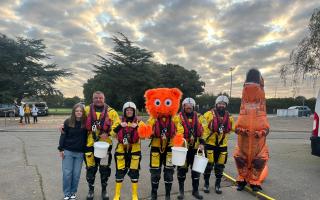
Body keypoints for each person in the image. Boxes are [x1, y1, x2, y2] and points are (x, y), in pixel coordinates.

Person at [137, 88, 184, 200]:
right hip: (156, 148)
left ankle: (167, 195)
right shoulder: (153, 119)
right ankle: (154, 194)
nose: (163, 106)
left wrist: (177, 138)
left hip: (169, 149)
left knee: (169, 172)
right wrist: (143, 127)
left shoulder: (175, 119)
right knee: (155, 173)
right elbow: (146, 133)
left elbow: (180, 130)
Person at [234, 69, 270, 192]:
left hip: (257, 144)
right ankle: (242, 180)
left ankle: (254, 181)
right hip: (243, 142)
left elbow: (266, 128)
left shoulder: (261, 103)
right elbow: (236, 127)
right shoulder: (243, 103)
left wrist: (261, 133)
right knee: (240, 158)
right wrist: (240, 130)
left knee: (259, 160)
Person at [84, 91, 120, 200]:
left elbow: (117, 125)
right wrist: (64, 125)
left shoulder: (112, 112)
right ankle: (91, 190)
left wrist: (108, 134)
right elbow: (75, 118)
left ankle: (104, 190)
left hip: (105, 145)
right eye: (96, 98)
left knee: (104, 169)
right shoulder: (86, 110)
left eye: (100, 98)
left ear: (104, 99)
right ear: (92, 99)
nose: (98, 100)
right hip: (89, 144)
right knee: (90, 169)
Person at [176, 97, 208, 200]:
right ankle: (181, 191)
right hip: (183, 149)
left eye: (190, 105)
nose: (189, 107)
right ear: (183, 106)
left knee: (196, 171)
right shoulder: (178, 117)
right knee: (181, 170)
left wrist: (202, 142)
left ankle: (195, 191)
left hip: (196, 148)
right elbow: (176, 131)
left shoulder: (200, 117)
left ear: (193, 106)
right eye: (186, 105)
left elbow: (205, 130)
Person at [112, 102, 145, 200]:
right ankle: (117, 195)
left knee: (134, 173)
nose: (129, 112)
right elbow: (112, 134)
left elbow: (145, 136)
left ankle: (134, 195)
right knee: (119, 172)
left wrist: (138, 127)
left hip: (135, 151)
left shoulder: (139, 122)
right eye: (127, 110)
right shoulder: (119, 121)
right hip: (121, 151)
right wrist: (120, 126)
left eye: (131, 110)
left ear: (134, 111)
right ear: (124, 111)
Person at [203, 95, 235, 194]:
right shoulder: (208, 114)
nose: (221, 105)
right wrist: (202, 141)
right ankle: (206, 184)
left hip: (222, 145)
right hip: (210, 144)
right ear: (216, 104)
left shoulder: (230, 117)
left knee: (220, 166)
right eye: (220, 103)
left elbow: (233, 128)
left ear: (226, 105)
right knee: (208, 165)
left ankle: (217, 185)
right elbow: (203, 128)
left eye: (223, 104)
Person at [58, 103, 87, 200]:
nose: (79, 113)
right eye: (77, 111)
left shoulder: (86, 123)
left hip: (80, 153)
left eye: (80, 111)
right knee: (67, 174)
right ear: (74, 112)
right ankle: (66, 193)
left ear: (83, 112)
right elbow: (63, 135)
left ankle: (73, 192)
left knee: (76, 175)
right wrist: (61, 149)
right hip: (68, 151)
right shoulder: (68, 122)